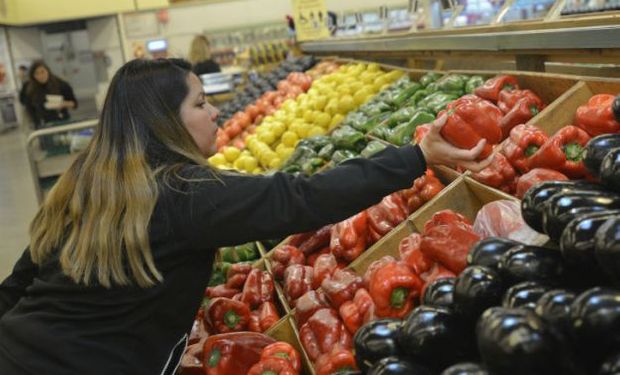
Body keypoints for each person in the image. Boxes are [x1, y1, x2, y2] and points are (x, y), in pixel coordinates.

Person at [0, 58, 490, 375]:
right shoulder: (182, 194)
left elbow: (19, 284)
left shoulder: (87, 181)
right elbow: (301, 198)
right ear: (166, 122)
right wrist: (416, 156)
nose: (214, 112)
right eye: (200, 102)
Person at [19, 60, 77, 129]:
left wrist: (64, 104)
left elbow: (74, 104)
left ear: (48, 71)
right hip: (41, 125)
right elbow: (26, 104)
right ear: (33, 75)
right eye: (36, 73)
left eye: (42, 72)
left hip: (61, 121)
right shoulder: (28, 87)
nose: (40, 76)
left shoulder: (61, 84)